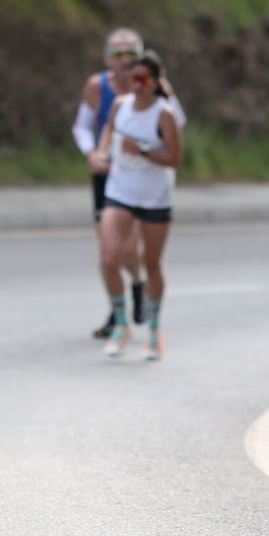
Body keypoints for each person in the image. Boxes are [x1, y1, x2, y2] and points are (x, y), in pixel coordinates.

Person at [90, 54, 183, 360]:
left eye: (144, 80)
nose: (138, 86)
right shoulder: (120, 106)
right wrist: (103, 152)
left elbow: (174, 159)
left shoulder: (164, 114)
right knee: (109, 257)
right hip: (121, 191)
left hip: (154, 196)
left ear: (155, 83)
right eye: (133, 79)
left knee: (152, 264)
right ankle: (120, 323)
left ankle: (154, 328)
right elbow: (108, 130)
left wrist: (143, 151)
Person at [74, 28, 146, 339]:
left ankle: (138, 284)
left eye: (131, 52)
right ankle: (117, 314)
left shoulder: (149, 87)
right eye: (117, 53)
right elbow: (82, 127)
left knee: (128, 248)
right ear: (106, 58)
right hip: (105, 177)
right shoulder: (97, 86)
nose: (124, 59)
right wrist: (92, 153)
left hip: (137, 176)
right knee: (108, 251)